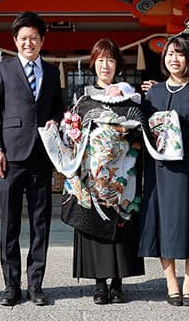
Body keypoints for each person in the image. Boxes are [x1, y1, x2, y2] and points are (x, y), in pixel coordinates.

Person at [0, 11, 64, 306]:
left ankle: (36, 285)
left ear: (42, 40)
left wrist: (56, 121)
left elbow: (58, 107)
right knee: (9, 223)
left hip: (41, 155)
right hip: (10, 154)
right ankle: (11, 285)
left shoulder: (52, 71)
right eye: (23, 38)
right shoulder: (3, 69)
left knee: (40, 222)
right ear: (15, 41)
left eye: (34, 37)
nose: (28, 42)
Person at [62, 38, 145, 304]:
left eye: (109, 60)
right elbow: (71, 131)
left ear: (118, 65)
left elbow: (142, 129)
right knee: (95, 222)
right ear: (93, 65)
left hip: (124, 172)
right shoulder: (84, 98)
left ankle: (118, 283)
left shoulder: (131, 97)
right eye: (100, 60)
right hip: (92, 175)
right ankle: (99, 284)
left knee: (121, 224)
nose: (104, 65)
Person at [139, 36, 189, 306]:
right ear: (164, 59)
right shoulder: (154, 93)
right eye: (170, 54)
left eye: (180, 54)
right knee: (166, 223)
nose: (174, 59)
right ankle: (171, 281)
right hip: (160, 168)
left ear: (188, 59)